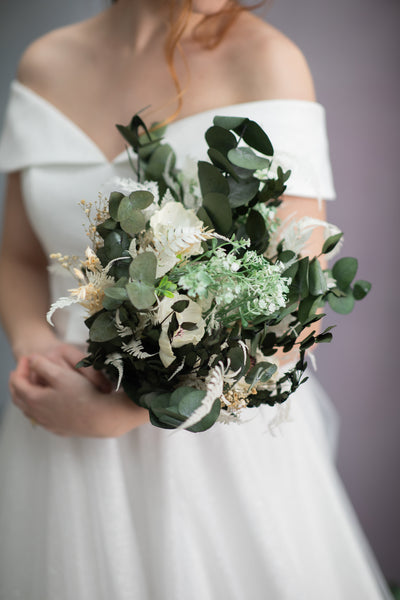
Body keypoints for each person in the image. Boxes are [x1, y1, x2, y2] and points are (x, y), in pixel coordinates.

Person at [0, 1, 392, 598]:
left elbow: (298, 306)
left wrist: (127, 413)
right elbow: (18, 255)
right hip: (58, 419)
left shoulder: (268, 62)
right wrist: (33, 344)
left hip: (206, 445)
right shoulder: (45, 63)